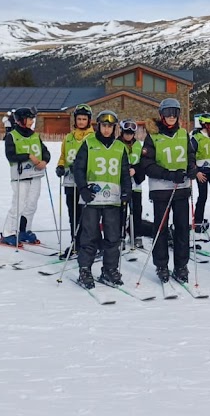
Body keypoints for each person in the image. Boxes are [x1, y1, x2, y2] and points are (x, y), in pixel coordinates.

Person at [71, 110, 132, 288]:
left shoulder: (120, 147)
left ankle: (109, 270)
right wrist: (82, 188)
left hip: (112, 200)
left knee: (113, 237)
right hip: (92, 199)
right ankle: (85, 270)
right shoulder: (88, 143)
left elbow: (124, 173)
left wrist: (126, 191)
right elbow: (78, 168)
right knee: (89, 236)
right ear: (98, 126)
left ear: (114, 128)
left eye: (110, 127)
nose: (106, 130)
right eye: (104, 126)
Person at [140, 98, 198, 284]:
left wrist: (192, 168)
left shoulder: (183, 134)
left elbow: (190, 156)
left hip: (181, 189)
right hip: (161, 191)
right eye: (167, 113)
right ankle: (162, 265)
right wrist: (169, 174)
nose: (171, 117)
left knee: (182, 229)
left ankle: (181, 266)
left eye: (174, 113)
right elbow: (147, 165)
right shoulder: (153, 136)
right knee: (161, 230)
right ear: (161, 115)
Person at [1, 107, 49, 246]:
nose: (31, 121)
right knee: (18, 205)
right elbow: (10, 155)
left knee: (31, 205)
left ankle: (24, 230)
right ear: (21, 120)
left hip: (36, 175)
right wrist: (28, 157)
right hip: (20, 176)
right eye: (29, 118)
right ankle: (8, 232)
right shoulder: (12, 136)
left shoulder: (35, 135)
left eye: (32, 119)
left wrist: (44, 161)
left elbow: (45, 152)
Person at [56, 104, 94, 257]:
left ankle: (88, 244)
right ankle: (75, 243)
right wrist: (60, 166)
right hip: (70, 182)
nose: (81, 122)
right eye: (79, 119)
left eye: (84, 119)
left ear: (89, 120)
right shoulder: (69, 137)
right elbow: (63, 156)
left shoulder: (93, 138)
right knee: (73, 214)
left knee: (86, 216)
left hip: (85, 183)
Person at [119, 119, 147, 249]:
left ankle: (136, 235)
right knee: (122, 211)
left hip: (135, 183)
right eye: (126, 133)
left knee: (136, 209)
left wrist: (135, 170)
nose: (128, 135)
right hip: (122, 184)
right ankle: (121, 236)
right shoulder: (117, 144)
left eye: (131, 133)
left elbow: (142, 163)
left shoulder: (138, 145)